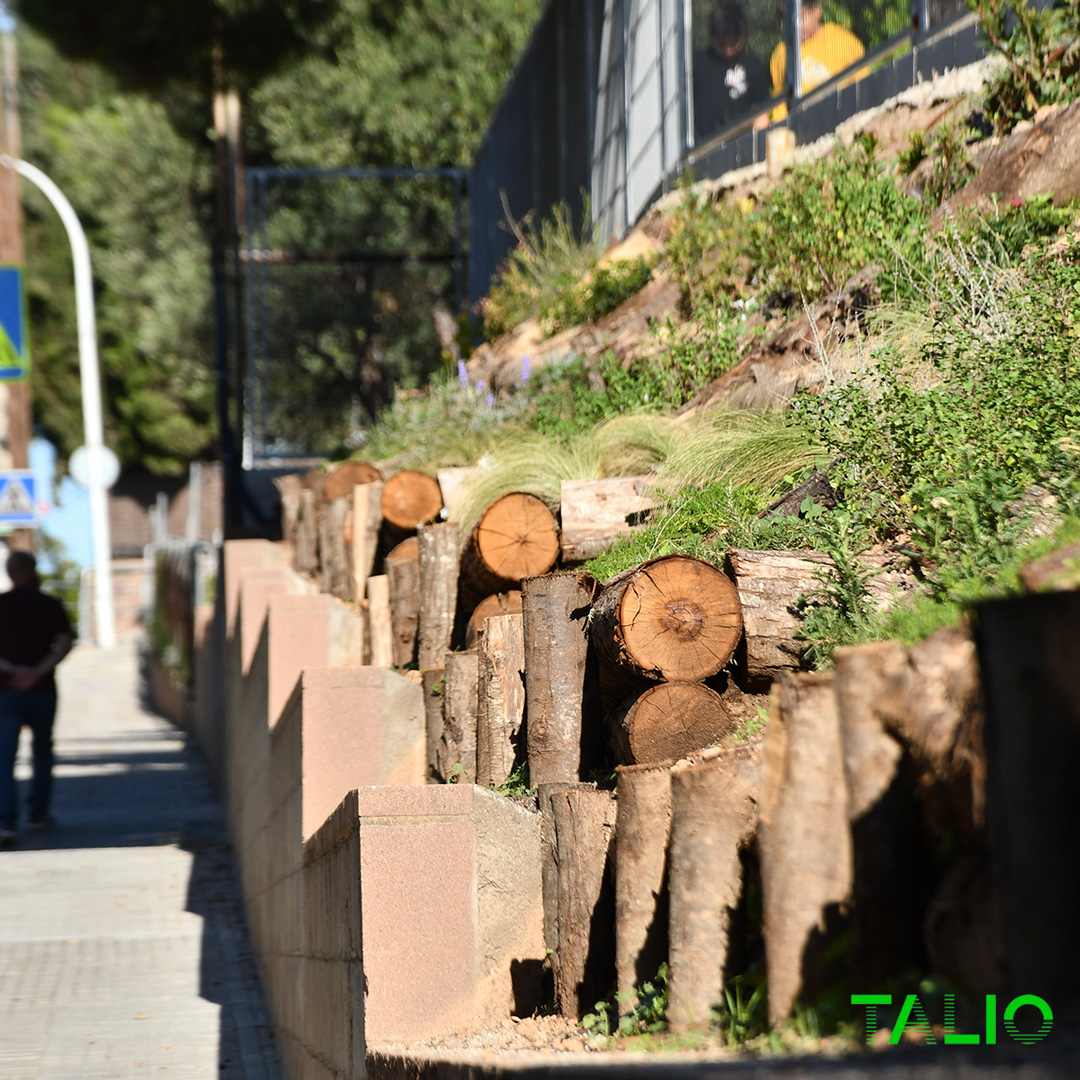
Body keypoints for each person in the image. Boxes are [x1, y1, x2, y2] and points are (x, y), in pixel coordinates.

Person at [0, 550, 74, 847]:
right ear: (32, 570)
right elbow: (65, 643)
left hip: (6, 691)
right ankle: (37, 813)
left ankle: (6, 821)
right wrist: (38, 672)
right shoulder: (50, 605)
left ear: (9, 571)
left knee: (4, 758)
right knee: (42, 752)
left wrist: (13, 670)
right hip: (42, 690)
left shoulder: (1, 605)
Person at [768, 0, 865, 117]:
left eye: (800, 17)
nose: (795, 25)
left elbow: (862, 85)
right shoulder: (781, 54)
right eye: (788, 20)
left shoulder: (842, 40)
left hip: (842, 115)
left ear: (816, 10)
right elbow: (781, 105)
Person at [693, 0, 770, 139]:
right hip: (704, 147)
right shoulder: (696, 64)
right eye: (722, 44)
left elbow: (761, 116)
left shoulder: (752, 65)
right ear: (712, 36)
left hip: (743, 147)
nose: (728, 50)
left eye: (734, 44)